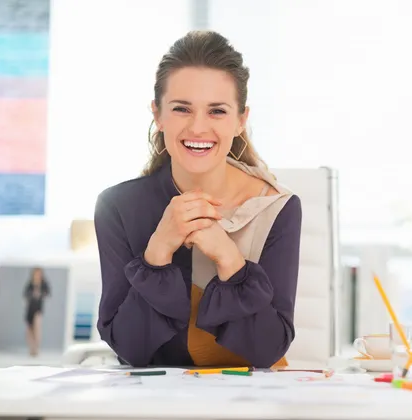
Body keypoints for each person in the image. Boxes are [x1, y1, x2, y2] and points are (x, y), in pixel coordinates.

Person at [94, 30, 302, 368]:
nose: (198, 127)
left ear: (240, 121)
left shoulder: (276, 207)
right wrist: (157, 251)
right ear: (158, 115)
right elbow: (130, 350)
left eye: (217, 111)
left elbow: (268, 351)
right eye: (181, 109)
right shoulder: (116, 206)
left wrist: (229, 261)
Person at [23, 267, 50, 356]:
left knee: (37, 328)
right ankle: (32, 348)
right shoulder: (30, 284)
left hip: (38, 309)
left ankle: (37, 348)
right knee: (29, 329)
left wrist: (40, 294)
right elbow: (25, 294)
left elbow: (47, 293)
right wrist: (32, 295)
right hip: (30, 309)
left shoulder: (43, 284)